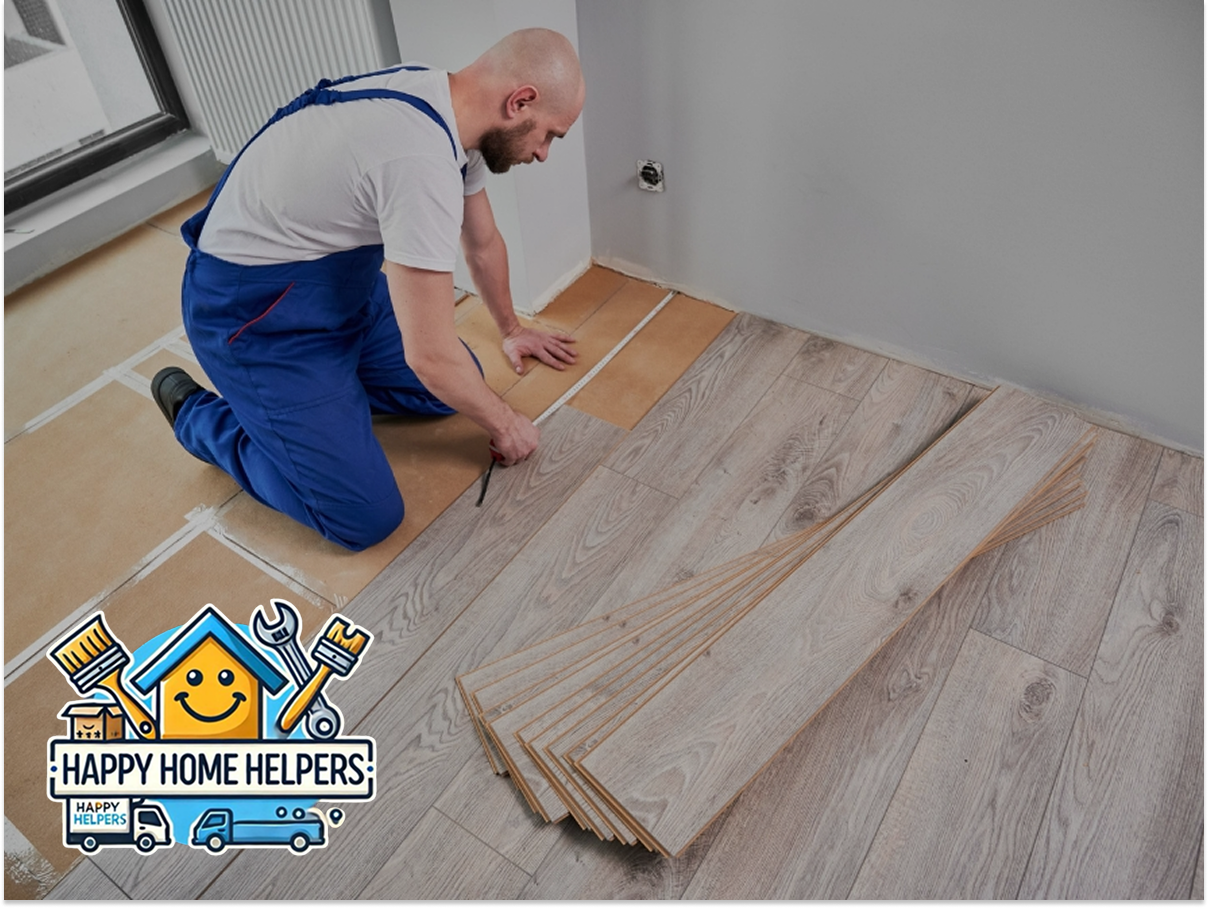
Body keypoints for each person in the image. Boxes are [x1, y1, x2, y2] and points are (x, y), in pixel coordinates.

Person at [152, 29, 584, 551]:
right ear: (520, 102)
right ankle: (203, 419)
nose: (543, 154)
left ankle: (322, 401)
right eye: (550, 136)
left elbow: (483, 243)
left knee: (458, 383)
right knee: (364, 517)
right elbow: (427, 355)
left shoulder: (446, 105)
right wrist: (508, 425)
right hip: (253, 316)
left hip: (336, 286)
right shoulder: (417, 161)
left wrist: (511, 329)